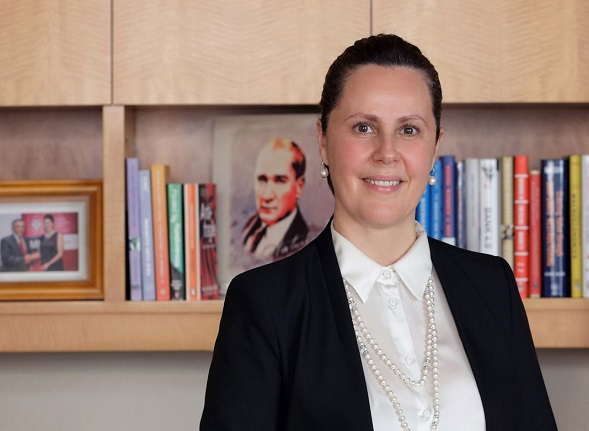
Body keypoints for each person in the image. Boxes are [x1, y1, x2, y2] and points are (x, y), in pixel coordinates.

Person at [202, 34, 557, 430]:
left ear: (434, 147)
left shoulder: (492, 286)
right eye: (363, 127)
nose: (387, 152)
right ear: (323, 140)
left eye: (409, 130)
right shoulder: (265, 304)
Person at [241, 138, 309, 260]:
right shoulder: (249, 228)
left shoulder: (306, 241)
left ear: (299, 186)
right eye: (262, 179)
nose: (267, 196)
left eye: (280, 181)